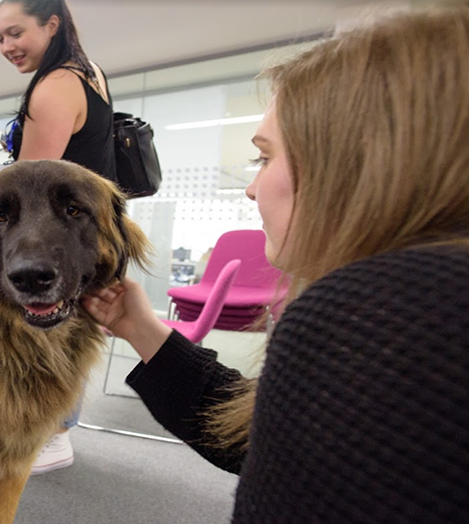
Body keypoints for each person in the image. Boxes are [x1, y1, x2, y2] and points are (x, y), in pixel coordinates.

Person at [83, 4, 469, 522]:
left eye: (264, 158)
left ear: (352, 165)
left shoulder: (380, 312)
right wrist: (141, 328)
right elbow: (261, 437)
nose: (251, 188)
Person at [0, 0, 115, 475]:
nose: (6, 46)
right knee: (71, 327)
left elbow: (27, 184)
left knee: (49, 325)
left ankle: (51, 431)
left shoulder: (55, 86)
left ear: (52, 24)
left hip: (59, 235)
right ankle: (58, 427)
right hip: (83, 233)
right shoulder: (89, 73)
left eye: (15, 32)